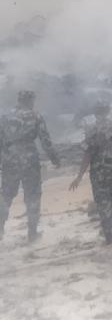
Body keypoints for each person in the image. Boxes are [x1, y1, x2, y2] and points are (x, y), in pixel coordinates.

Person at [70, 102, 112, 245]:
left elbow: (87, 154)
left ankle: (108, 233)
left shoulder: (92, 131)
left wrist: (79, 176)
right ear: (108, 112)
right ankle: (111, 225)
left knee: (102, 202)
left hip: (98, 173)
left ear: (95, 114)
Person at [0, 90, 60, 243]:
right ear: (29, 100)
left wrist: (4, 156)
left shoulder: (5, 117)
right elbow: (45, 140)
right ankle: (32, 233)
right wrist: (54, 158)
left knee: (6, 195)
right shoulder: (35, 116)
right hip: (29, 159)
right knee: (32, 195)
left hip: (9, 159)